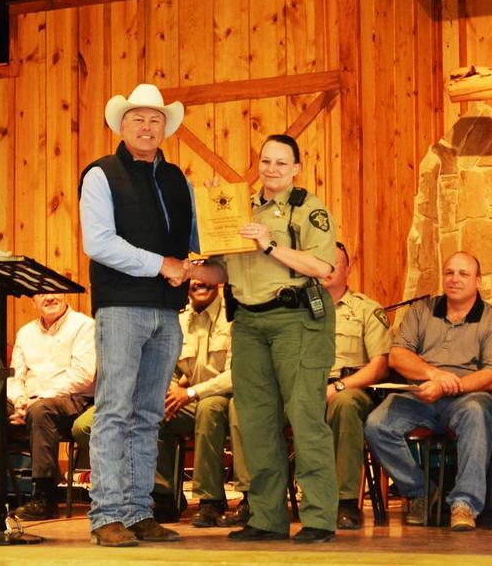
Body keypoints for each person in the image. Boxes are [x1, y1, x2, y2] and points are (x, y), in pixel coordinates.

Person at [186, 134, 339, 543]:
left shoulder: (309, 207)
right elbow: (223, 272)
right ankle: (268, 517)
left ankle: (321, 518)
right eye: (265, 161)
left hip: (297, 321)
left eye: (281, 163)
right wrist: (190, 271)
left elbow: (322, 266)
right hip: (249, 324)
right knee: (255, 423)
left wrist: (269, 243)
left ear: (295, 168)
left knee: (305, 418)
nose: (271, 169)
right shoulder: (240, 208)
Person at [78, 83, 195, 547]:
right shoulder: (101, 175)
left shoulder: (178, 179)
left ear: (165, 128)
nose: (147, 127)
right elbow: (99, 243)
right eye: (138, 119)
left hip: (167, 310)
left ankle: (139, 512)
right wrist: (162, 264)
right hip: (122, 306)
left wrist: (215, 248)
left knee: (147, 415)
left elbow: (197, 238)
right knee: (114, 411)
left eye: (155, 120)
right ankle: (106, 515)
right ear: (121, 126)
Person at [365, 251, 492, 532]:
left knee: (477, 411)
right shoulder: (422, 311)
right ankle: (422, 492)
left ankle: (464, 504)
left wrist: (447, 385)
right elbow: (397, 356)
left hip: (469, 396)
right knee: (376, 424)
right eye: (449, 273)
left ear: (478, 280)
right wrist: (433, 375)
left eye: (463, 274)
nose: (455, 279)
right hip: (421, 394)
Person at [0, 293, 95, 521]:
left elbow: (83, 376)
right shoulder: (26, 332)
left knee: (41, 410)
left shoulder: (84, 326)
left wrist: (34, 400)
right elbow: (14, 376)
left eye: (55, 292)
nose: (49, 298)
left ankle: (45, 496)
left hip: (72, 400)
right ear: (33, 301)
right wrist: (20, 400)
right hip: (27, 402)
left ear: (64, 295)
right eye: (42, 294)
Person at [153, 278, 249, 528]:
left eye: (204, 274)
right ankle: (164, 496)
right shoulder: (180, 321)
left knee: (210, 408)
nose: (198, 282)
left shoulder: (234, 315)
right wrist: (172, 387)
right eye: (192, 277)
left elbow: (237, 374)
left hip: (235, 395)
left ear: (217, 279)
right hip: (196, 395)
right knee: (156, 412)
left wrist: (192, 392)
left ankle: (214, 501)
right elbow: (169, 364)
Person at [322, 241, 392, 530]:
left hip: (351, 388)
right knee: (254, 405)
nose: (325, 269)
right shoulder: (298, 311)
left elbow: (379, 366)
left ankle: (345, 502)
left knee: (346, 404)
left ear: (348, 269)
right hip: (304, 388)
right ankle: (260, 502)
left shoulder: (366, 310)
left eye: (333, 263)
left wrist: (338, 387)